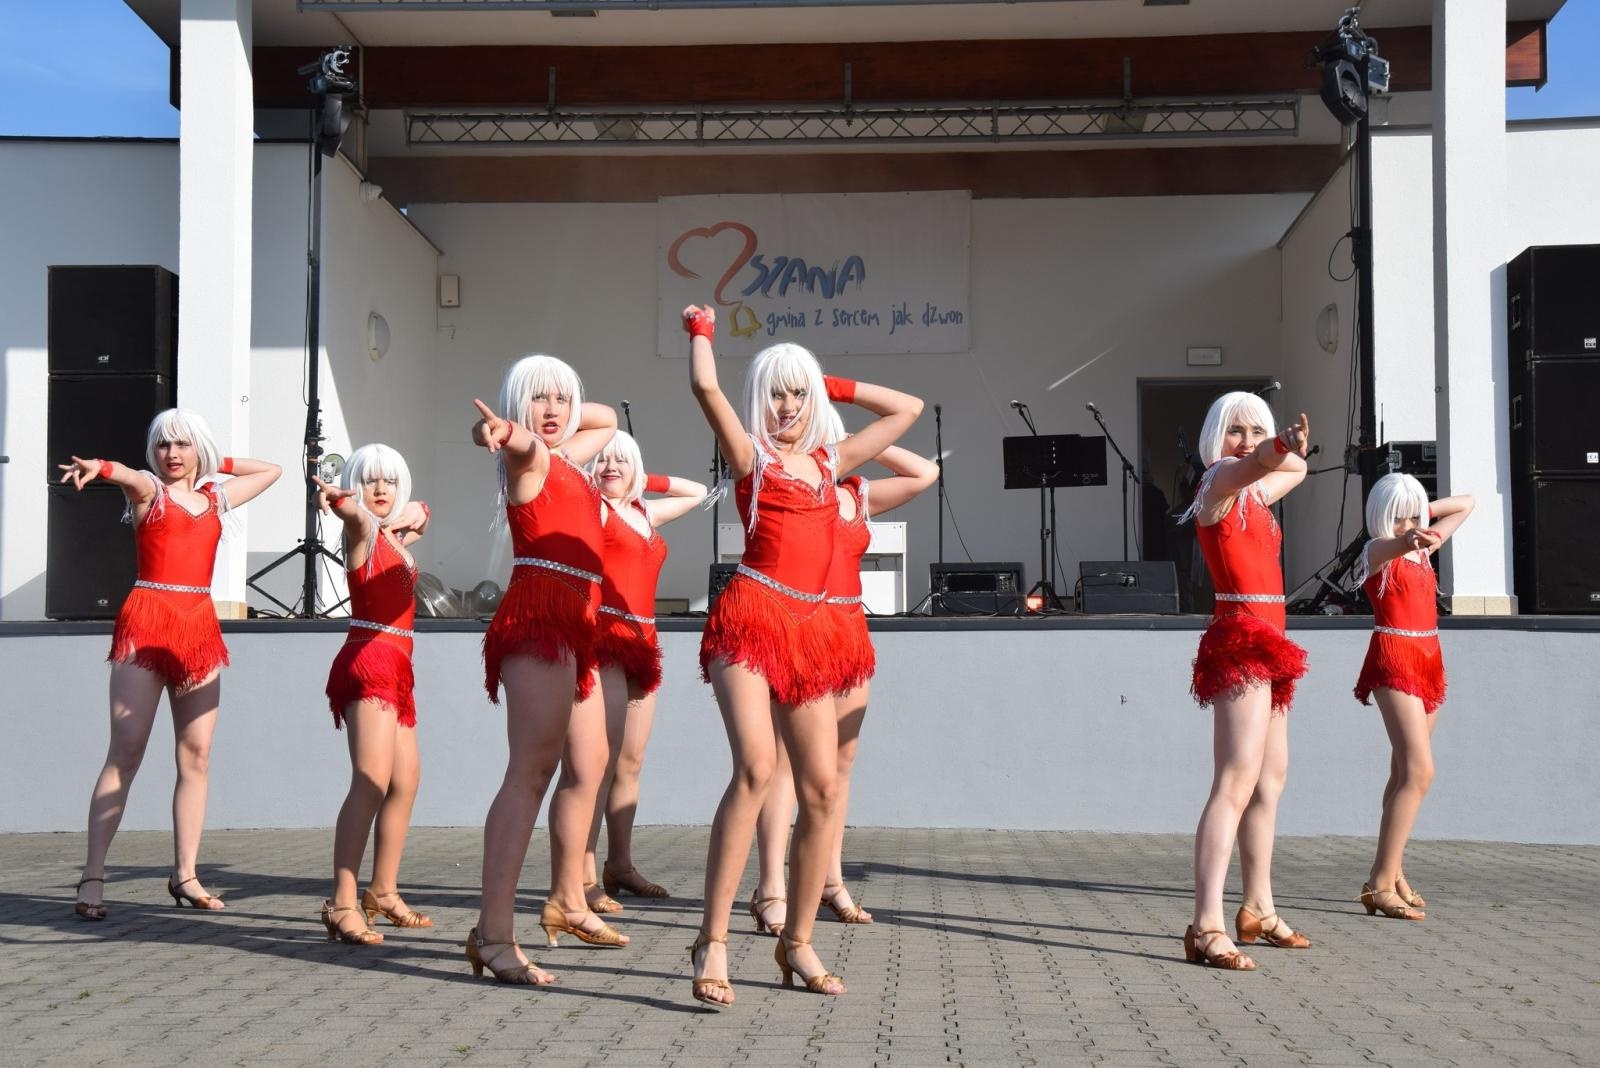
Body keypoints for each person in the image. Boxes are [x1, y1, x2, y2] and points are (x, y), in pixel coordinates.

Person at [683, 305, 922, 1007]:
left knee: (820, 790)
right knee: (757, 768)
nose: (785, 406)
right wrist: (701, 333)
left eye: (797, 393)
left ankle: (798, 943)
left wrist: (830, 384)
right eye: (776, 393)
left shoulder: (831, 463)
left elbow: (907, 409)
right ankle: (713, 940)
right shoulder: (752, 458)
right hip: (751, 620)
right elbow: (706, 390)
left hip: (814, 631)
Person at [60, 409, 281, 920]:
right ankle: (93, 876)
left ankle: (185, 875)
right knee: (127, 751)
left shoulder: (213, 499)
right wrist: (102, 466)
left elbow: (271, 471)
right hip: (148, 620)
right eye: (163, 445)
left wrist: (214, 460)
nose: (172, 454)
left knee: (197, 754)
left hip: (200, 626)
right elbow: (130, 476)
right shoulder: (148, 493)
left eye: (183, 445)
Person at [467, 355, 623, 986]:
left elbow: (606, 418)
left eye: (564, 399)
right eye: (540, 398)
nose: (555, 410)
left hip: (581, 623)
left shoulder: (572, 461)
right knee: (530, 773)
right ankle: (493, 935)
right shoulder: (529, 459)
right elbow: (522, 442)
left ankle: (565, 897)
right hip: (539, 616)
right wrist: (507, 428)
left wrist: (553, 397)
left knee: (589, 765)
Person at [751, 409, 938, 934]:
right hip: (797, 624)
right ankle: (770, 887)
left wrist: (860, 441)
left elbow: (925, 474)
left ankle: (829, 879)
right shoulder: (785, 484)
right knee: (786, 762)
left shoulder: (855, 493)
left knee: (840, 763)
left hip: (848, 629)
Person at [1180, 391, 1310, 971]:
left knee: (1269, 780)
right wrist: (1275, 446)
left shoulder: (1256, 492)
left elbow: (1294, 468)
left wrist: (1281, 449)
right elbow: (1253, 465)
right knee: (1234, 780)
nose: (1248, 438)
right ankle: (1205, 923)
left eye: (1257, 428)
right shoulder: (1216, 488)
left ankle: (1257, 904)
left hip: (1273, 642)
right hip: (1240, 638)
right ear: (1216, 437)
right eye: (1236, 429)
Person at [578, 429, 708, 913]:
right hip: (604, 641)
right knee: (599, 765)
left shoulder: (642, 513)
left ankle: (620, 865)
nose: (610, 466)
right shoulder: (595, 509)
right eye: (603, 460)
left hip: (644, 643)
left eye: (620, 460)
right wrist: (608, 473)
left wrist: (637, 476)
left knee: (630, 763)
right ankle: (584, 877)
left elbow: (697, 491)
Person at [315, 444, 434, 945]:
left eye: (389, 480)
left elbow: (423, 511)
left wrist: (405, 517)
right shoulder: (364, 532)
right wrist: (345, 503)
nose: (380, 490)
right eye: (370, 480)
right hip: (370, 659)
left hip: (398, 665)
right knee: (370, 780)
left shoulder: (397, 536)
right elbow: (357, 519)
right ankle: (342, 901)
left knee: (405, 780)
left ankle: (382, 891)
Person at [1353, 474, 1474, 921]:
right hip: (1395, 656)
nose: (1407, 524)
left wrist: (1419, 509)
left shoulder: (1422, 544)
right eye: (1397, 515)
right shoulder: (1376, 552)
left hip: (1429, 656)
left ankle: (1393, 868)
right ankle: (1379, 883)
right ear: (1381, 516)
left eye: (1413, 515)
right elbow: (1396, 545)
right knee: (1419, 771)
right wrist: (1410, 530)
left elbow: (1468, 503)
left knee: (1403, 772)